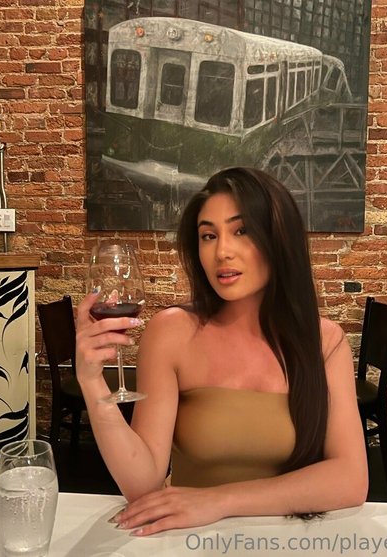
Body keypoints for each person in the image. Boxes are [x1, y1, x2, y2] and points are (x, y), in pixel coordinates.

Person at [76, 167, 368, 537]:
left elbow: (350, 479)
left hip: (290, 541)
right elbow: (142, 485)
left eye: (241, 231)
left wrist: (219, 501)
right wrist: (92, 383)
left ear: (279, 238)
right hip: (188, 541)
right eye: (208, 236)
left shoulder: (324, 342)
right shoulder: (171, 332)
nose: (222, 252)